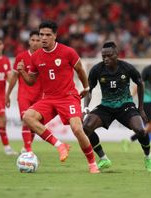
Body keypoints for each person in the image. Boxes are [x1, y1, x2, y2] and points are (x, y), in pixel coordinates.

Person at [17, 21, 100, 173]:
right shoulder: (36, 57)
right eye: (41, 34)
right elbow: (31, 81)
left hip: (68, 96)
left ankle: (92, 164)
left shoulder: (68, 52)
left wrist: (86, 88)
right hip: (48, 98)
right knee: (27, 117)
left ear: (55, 36)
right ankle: (60, 145)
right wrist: (22, 72)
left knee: (77, 128)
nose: (44, 38)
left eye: (48, 35)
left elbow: (80, 70)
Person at [83, 41, 151, 172]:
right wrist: (86, 108)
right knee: (86, 127)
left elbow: (140, 84)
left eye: (109, 56)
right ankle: (104, 159)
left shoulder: (127, 68)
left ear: (116, 55)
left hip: (125, 105)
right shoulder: (97, 69)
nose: (105, 59)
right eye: (103, 56)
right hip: (106, 106)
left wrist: (141, 109)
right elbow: (89, 89)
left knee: (140, 130)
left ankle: (148, 156)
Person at [6, 30, 42, 153]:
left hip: (40, 96)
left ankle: (26, 147)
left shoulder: (45, 57)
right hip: (24, 95)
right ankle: (28, 150)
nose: (35, 43)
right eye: (33, 40)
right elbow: (14, 77)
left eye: (38, 40)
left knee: (35, 124)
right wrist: (7, 95)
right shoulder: (21, 57)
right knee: (26, 120)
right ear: (29, 41)